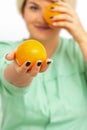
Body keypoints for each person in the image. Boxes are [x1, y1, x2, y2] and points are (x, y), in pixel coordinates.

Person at [0, 0, 87, 130]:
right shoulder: (6, 50)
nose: (42, 18)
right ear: (23, 12)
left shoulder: (79, 50)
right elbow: (11, 78)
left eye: (53, 9)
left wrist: (82, 37)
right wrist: (19, 71)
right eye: (34, 8)